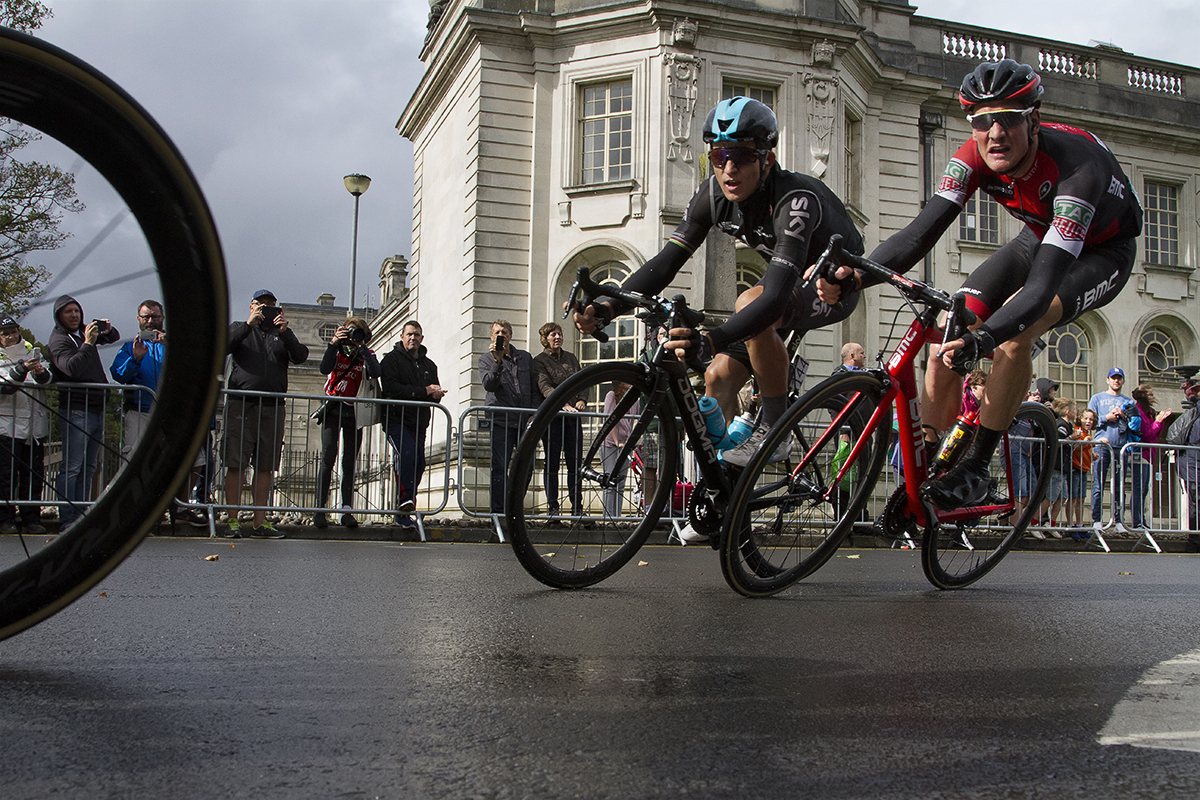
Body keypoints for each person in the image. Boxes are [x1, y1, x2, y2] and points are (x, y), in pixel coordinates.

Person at [820, 60, 1142, 511]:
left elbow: (1041, 285)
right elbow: (919, 234)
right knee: (947, 338)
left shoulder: (1076, 170)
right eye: (981, 121)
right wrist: (856, 275)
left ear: (1033, 120)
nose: (995, 133)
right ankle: (928, 464)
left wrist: (986, 338)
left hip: (1101, 251)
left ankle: (975, 470)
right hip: (1037, 234)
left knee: (1017, 332)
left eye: (1008, 119)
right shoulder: (971, 156)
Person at [573, 97, 864, 473]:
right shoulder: (712, 195)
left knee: (751, 302)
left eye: (741, 157)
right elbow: (665, 263)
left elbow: (772, 298)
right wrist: (610, 307)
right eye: (718, 157)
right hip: (783, 289)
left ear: (766, 160)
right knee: (716, 379)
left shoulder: (794, 200)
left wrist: (710, 340)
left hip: (833, 287)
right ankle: (720, 497)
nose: (728, 169)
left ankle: (776, 430)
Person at [109, 300, 206, 529]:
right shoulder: (129, 346)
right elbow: (118, 375)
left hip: (173, 415)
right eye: (146, 317)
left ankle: (179, 507)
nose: (151, 321)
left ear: (163, 318)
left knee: (195, 459)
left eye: (155, 317)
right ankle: (141, 509)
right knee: (137, 462)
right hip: (140, 412)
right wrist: (136, 358)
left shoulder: (175, 345)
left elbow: (195, 372)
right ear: (138, 319)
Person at [221, 289, 308, 538]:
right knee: (236, 463)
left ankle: (260, 522)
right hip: (242, 404)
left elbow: (300, 356)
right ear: (251, 306)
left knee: (265, 466)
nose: (265, 309)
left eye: (271, 305)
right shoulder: (240, 327)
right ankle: (233, 520)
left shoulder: (280, 334)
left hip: (272, 407)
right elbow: (224, 346)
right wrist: (249, 325)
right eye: (261, 305)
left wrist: (285, 332)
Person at [47, 295, 121, 531]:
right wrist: (88, 344)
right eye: (68, 312)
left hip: (96, 409)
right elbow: (71, 367)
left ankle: (81, 514)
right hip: (76, 409)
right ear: (59, 315)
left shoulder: (81, 335)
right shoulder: (59, 339)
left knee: (89, 468)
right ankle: (68, 518)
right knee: (72, 467)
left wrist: (105, 330)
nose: (74, 315)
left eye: (77, 311)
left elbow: (114, 336)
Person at [312, 317, 380, 530]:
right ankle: (320, 509)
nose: (353, 337)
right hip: (333, 407)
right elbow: (324, 368)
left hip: (354, 410)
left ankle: (346, 509)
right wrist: (333, 344)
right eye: (351, 332)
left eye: (358, 333)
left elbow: (376, 372)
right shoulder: (337, 350)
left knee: (349, 461)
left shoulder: (364, 354)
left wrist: (363, 348)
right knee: (328, 457)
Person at [380, 320, 446, 529]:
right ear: (402, 337)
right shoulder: (390, 360)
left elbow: (431, 394)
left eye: (417, 335)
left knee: (418, 462)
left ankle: (406, 505)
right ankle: (405, 502)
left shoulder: (429, 365)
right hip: (396, 419)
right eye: (409, 334)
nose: (413, 338)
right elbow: (391, 388)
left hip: (419, 422)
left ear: (422, 338)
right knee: (407, 454)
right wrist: (423, 391)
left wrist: (435, 395)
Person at [479, 319, 536, 515]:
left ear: (510, 335)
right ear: (491, 336)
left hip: (523, 421)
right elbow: (489, 385)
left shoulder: (525, 358)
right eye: (497, 332)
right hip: (501, 421)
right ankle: (498, 512)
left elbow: (534, 387)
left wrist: (533, 412)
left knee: (527, 466)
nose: (500, 335)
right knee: (500, 467)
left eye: (504, 332)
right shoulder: (486, 359)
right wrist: (497, 361)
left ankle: (512, 507)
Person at [0, 316, 50, 534]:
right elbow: (5, 387)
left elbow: (49, 381)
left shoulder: (32, 350)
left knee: (33, 476)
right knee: (6, 476)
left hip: (34, 425)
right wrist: (21, 370)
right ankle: (6, 519)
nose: (11, 336)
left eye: (13, 331)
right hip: (6, 425)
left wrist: (40, 373)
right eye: (5, 333)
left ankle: (31, 519)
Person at [533, 322, 585, 517]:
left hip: (573, 420)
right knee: (552, 464)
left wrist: (582, 399)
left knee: (575, 464)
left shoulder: (571, 358)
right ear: (545, 339)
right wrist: (562, 404)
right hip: (553, 419)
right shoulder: (540, 361)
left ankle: (577, 508)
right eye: (553, 334)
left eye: (559, 334)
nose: (557, 337)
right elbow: (545, 387)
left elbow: (582, 381)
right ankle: (553, 508)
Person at [1089, 368, 1134, 531]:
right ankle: (1097, 520)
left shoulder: (1129, 401)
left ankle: (1119, 521)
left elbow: (1136, 424)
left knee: (1120, 485)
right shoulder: (1097, 398)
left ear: (1123, 381)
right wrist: (1105, 418)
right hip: (1102, 446)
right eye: (1113, 378)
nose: (1116, 381)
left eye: (1119, 378)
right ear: (1107, 380)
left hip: (1121, 447)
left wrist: (1123, 415)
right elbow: (1089, 421)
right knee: (1098, 484)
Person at [1128, 383, 1171, 532]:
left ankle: (1141, 520)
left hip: (1148, 455)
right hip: (1140, 454)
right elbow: (1146, 435)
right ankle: (1137, 521)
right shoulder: (1138, 412)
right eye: (1150, 395)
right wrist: (1157, 421)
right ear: (1143, 397)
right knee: (1139, 488)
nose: (1153, 398)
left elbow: (1155, 435)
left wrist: (1160, 420)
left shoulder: (1149, 412)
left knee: (1144, 489)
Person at [1165, 381, 1200, 552]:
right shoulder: (1196, 413)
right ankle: (1194, 542)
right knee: (1195, 504)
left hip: (1192, 463)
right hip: (1193, 465)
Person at [600, 382, 637, 518]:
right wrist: (617, 442)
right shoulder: (612, 396)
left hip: (624, 445)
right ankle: (608, 517)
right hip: (610, 444)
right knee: (610, 481)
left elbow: (632, 422)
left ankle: (617, 516)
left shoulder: (635, 400)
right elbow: (610, 420)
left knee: (620, 483)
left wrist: (627, 442)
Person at [1067, 407, 1097, 535]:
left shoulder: (1088, 434)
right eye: (1086, 418)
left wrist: (1093, 456)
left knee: (1081, 498)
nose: (1088, 421)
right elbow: (1074, 448)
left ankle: (1080, 524)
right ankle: (1070, 525)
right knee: (1073, 498)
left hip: (1084, 468)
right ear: (1080, 419)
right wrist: (1085, 443)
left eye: (1091, 419)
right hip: (1075, 467)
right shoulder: (1077, 431)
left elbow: (1086, 451)